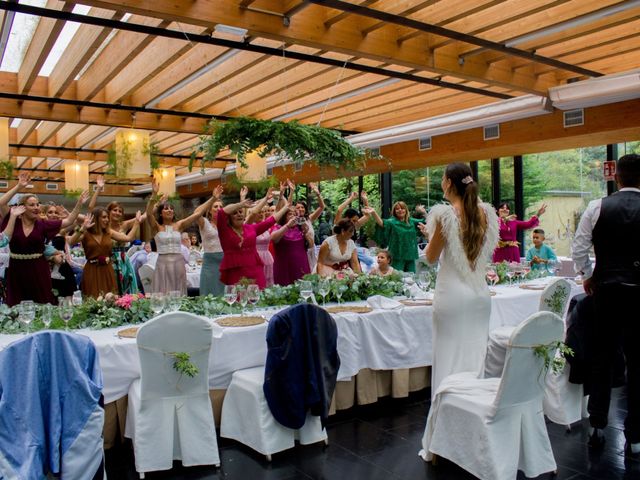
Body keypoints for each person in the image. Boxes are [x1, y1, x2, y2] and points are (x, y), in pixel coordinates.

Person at [572, 153, 640, 454]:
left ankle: (598, 425)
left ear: (618, 177)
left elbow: (579, 247)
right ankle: (635, 437)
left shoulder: (597, 206)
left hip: (607, 291)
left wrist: (588, 275)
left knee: (602, 357)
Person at [417, 162, 499, 400]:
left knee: (449, 357)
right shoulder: (485, 213)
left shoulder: (446, 214)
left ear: (449, 183)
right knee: (474, 356)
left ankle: (448, 416)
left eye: (443, 178)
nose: (442, 182)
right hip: (480, 295)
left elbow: (431, 257)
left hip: (452, 295)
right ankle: (473, 411)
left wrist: (431, 237)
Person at [1, 188, 88, 306]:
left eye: (37, 204)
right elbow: (1, 203)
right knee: (17, 305)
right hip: (17, 269)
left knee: (42, 302)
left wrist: (79, 203)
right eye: (32, 205)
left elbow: (69, 221)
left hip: (38, 268)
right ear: (23, 207)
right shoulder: (13, 221)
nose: (36, 207)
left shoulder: (42, 224)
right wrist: (19, 186)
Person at [146, 180, 218, 294]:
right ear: (161, 213)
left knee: (178, 291)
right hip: (162, 262)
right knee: (163, 291)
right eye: (166, 208)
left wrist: (213, 199)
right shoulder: (157, 227)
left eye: (171, 209)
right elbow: (149, 214)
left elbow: (197, 215)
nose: (169, 210)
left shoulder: (179, 225)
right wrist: (154, 195)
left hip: (178, 262)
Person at [217, 194, 289, 289]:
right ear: (229, 218)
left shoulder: (251, 228)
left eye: (240, 212)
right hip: (236, 274)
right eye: (235, 213)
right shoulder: (225, 231)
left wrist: (286, 207)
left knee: (257, 299)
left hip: (256, 271)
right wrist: (240, 205)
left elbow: (271, 221)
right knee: (238, 300)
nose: (239, 214)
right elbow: (221, 213)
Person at [70, 207, 142, 298]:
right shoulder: (85, 233)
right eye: (104, 217)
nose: (107, 220)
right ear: (96, 218)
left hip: (107, 269)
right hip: (91, 270)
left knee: (110, 298)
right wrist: (82, 228)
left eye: (107, 217)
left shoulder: (109, 232)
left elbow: (128, 238)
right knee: (92, 299)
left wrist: (136, 223)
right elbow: (71, 242)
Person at [368, 201, 427, 272]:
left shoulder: (411, 221)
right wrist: (373, 212)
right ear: (394, 211)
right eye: (397, 209)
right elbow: (382, 223)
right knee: (398, 278)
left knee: (411, 278)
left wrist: (424, 212)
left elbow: (425, 221)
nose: (400, 210)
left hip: (410, 255)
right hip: (397, 256)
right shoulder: (392, 222)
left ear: (406, 210)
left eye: (402, 208)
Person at [272, 206, 314, 286]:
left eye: (294, 215)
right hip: (284, 265)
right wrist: (287, 226)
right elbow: (274, 238)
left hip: (301, 263)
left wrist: (306, 233)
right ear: (284, 217)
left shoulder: (300, 228)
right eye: (290, 214)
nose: (292, 217)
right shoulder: (278, 227)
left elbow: (311, 245)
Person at [294, 182, 325, 273]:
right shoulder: (293, 222)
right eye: (298, 208)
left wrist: (317, 193)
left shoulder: (309, 219)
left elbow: (322, 207)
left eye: (302, 207)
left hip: (312, 251)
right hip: (301, 252)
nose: (300, 209)